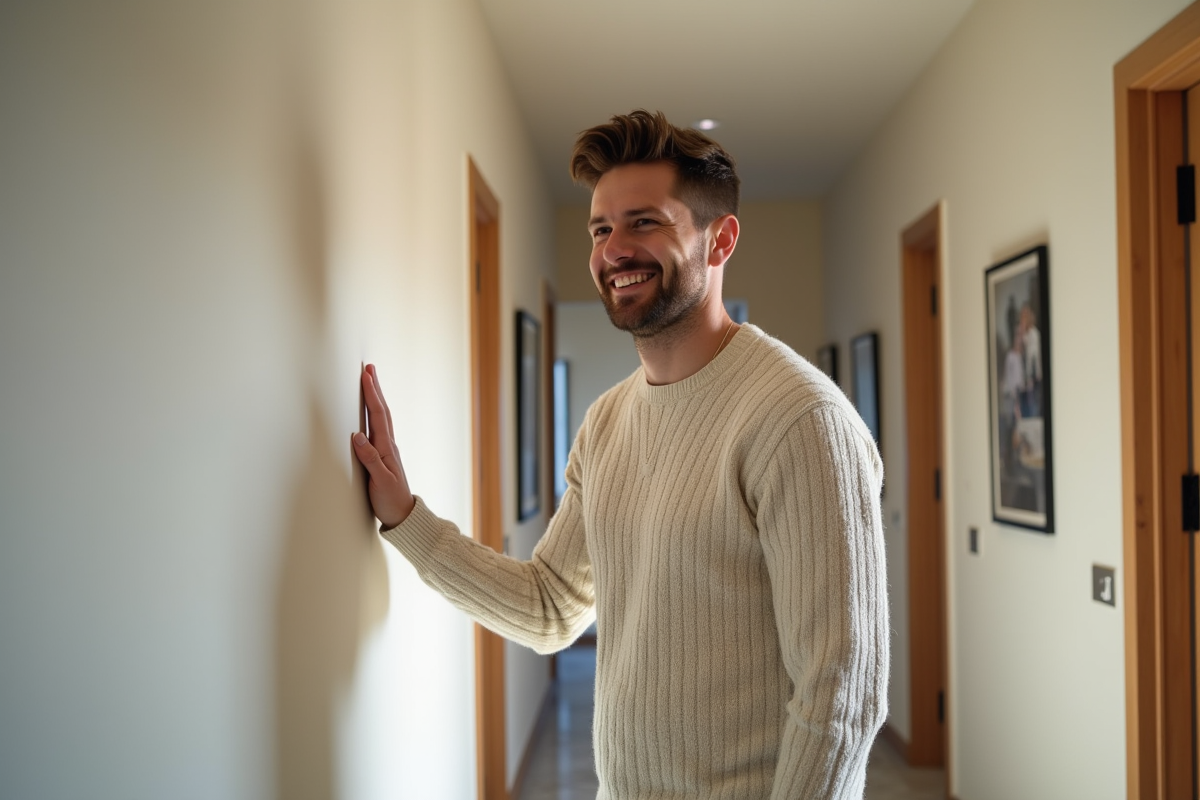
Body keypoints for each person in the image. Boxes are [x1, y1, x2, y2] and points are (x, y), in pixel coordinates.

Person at [352, 110, 888, 799]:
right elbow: (550, 607)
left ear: (719, 239)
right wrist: (406, 519)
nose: (614, 249)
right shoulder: (606, 422)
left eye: (645, 222)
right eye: (601, 229)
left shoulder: (799, 419)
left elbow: (841, 696)